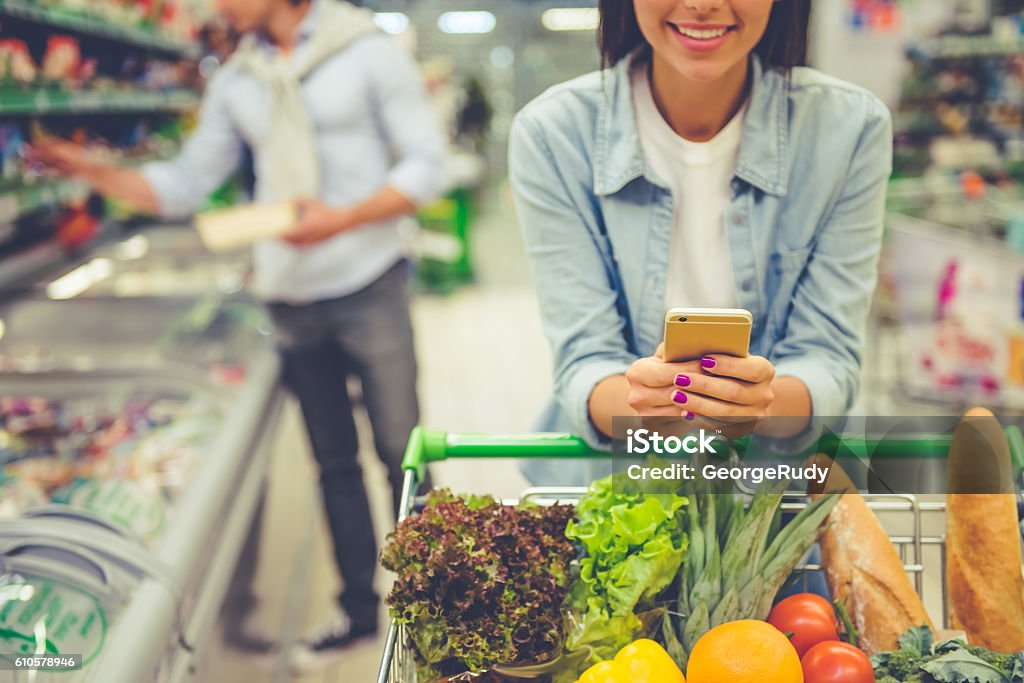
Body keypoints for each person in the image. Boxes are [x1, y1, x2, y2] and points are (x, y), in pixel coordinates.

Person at [33, 0, 447, 667]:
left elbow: (428, 166)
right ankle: (359, 611)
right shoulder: (239, 79)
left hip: (369, 279)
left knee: (404, 449)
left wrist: (341, 219)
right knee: (332, 461)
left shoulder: (362, 48)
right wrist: (91, 169)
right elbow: (187, 183)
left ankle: (435, 606)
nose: (218, 6)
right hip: (291, 296)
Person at [509, 0, 891, 481]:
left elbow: (829, 357)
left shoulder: (849, 128)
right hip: (617, 490)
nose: (703, 4)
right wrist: (642, 403)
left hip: (778, 500)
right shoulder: (553, 133)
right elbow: (586, 360)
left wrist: (760, 405)